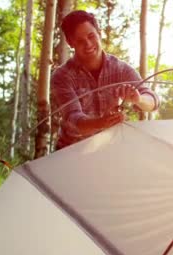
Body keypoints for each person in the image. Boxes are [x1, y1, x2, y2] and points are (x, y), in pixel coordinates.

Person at [51, 10, 159, 150]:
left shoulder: (121, 69)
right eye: (80, 41)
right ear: (70, 43)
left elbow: (154, 101)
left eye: (91, 36)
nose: (88, 44)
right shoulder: (62, 76)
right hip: (70, 150)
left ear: (99, 33)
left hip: (109, 149)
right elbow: (73, 119)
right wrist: (101, 123)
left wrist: (139, 99)